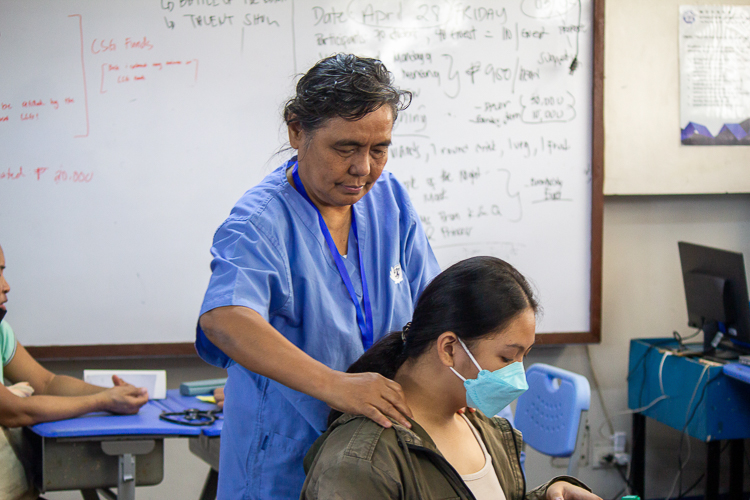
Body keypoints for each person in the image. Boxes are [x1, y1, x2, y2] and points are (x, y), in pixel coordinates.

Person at [196, 53, 441, 499]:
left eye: (379, 148)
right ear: (296, 131)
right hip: (285, 460)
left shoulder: (389, 201)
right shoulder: (261, 222)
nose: (363, 168)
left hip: (376, 458)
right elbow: (225, 318)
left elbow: (434, 307)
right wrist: (335, 386)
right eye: (345, 148)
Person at [301, 256, 603, 500]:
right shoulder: (363, 460)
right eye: (507, 358)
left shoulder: (483, 428)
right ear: (449, 349)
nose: (517, 375)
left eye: (524, 357)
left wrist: (549, 495)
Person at [0, 244, 149, 499]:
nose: (7, 286)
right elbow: (15, 411)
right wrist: (102, 400)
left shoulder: (2, 332)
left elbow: (47, 383)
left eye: (3, 272)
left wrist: (116, 394)